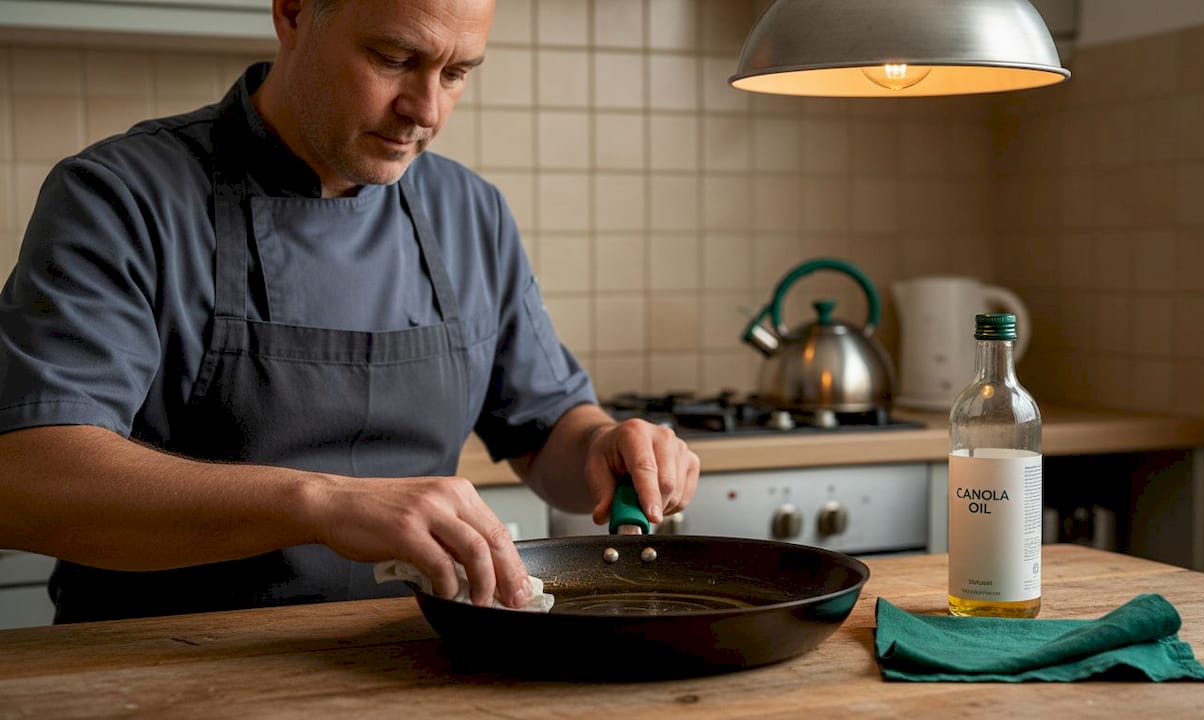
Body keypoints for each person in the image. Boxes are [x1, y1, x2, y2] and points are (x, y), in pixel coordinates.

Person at [0, 0, 699, 623]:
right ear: (293, 13)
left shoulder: (470, 213)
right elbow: (28, 477)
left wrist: (607, 447)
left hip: (413, 658)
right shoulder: (121, 198)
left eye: (456, 74)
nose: (426, 110)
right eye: (396, 59)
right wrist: (326, 503)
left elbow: (550, 436)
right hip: (165, 669)